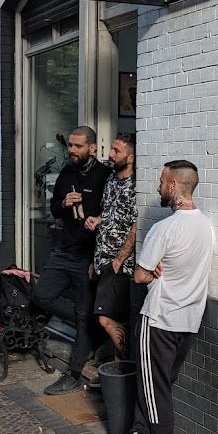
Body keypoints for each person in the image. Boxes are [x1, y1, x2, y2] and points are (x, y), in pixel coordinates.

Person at [122, 159, 214, 434]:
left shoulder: (164, 229)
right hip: (188, 323)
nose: (159, 188)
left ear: (174, 186)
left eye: (162, 182)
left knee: (155, 391)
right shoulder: (206, 227)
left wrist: (152, 270)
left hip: (158, 321)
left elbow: (139, 275)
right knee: (155, 388)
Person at [33, 126, 111, 395]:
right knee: (41, 296)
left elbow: (112, 219)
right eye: (71, 146)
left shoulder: (105, 176)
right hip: (63, 251)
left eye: (78, 146)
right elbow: (53, 209)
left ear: (92, 148)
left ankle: (74, 374)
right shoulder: (66, 173)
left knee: (81, 315)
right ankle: (88, 322)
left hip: (87, 257)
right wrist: (63, 203)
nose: (72, 150)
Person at [85, 134, 137, 360]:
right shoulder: (111, 181)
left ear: (131, 157)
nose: (110, 155)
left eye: (117, 151)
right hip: (103, 260)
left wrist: (119, 260)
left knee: (106, 319)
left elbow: (136, 227)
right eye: (111, 150)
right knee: (114, 317)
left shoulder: (136, 186)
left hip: (119, 266)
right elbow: (109, 216)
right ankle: (118, 366)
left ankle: (125, 363)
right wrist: (97, 220)